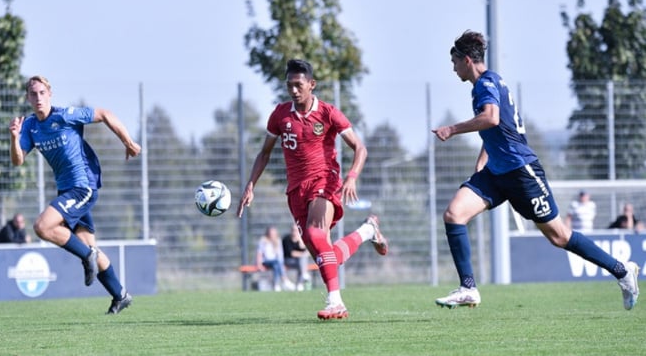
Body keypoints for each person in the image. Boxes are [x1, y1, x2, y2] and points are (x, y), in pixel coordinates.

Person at [431, 30, 639, 310]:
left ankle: (622, 271)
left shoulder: (486, 83)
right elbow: (498, 126)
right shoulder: (487, 84)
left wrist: (452, 129)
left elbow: (491, 119)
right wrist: (484, 158)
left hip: (521, 172)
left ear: (467, 60)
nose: (453, 67)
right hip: (496, 172)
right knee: (454, 214)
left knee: (559, 236)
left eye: (454, 61)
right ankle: (469, 288)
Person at [237, 59, 388, 320]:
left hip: (325, 181)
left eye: (299, 85)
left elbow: (360, 148)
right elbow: (264, 153)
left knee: (316, 235)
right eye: (290, 86)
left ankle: (336, 303)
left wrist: (351, 177)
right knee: (324, 254)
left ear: (311, 85)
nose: (294, 91)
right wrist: (251, 184)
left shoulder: (328, 113)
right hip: (296, 191)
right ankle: (366, 231)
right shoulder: (280, 115)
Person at [9, 75, 141, 314]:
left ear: (50, 94)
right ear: (28, 98)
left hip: (83, 186)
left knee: (42, 226)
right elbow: (18, 161)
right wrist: (14, 138)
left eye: (42, 93)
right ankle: (120, 295)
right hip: (66, 189)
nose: (38, 98)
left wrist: (128, 142)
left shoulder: (66, 115)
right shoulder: (29, 126)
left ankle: (86, 256)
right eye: (33, 94)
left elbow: (104, 114)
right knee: (89, 245)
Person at [255, 226, 293, 292]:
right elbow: (259, 254)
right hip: (265, 261)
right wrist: (259, 265)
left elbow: (280, 255)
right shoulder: (263, 240)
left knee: (276, 265)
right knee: (277, 262)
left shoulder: (278, 241)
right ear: (268, 233)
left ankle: (276, 285)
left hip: (276, 263)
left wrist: (282, 265)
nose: (272, 235)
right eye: (271, 233)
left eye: (273, 233)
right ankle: (285, 280)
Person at [282, 222, 311, 290]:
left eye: (296, 230)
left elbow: (306, 250)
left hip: (299, 262)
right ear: (291, 230)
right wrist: (303, 254)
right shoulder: (287, 239)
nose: (294, 232)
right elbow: (292, 253)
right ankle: (302, 278)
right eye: (293, 230)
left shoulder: (300, 239)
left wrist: (300, 241)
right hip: (288, 261)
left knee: (302, 262)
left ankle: (299, 284)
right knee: (302, 260)